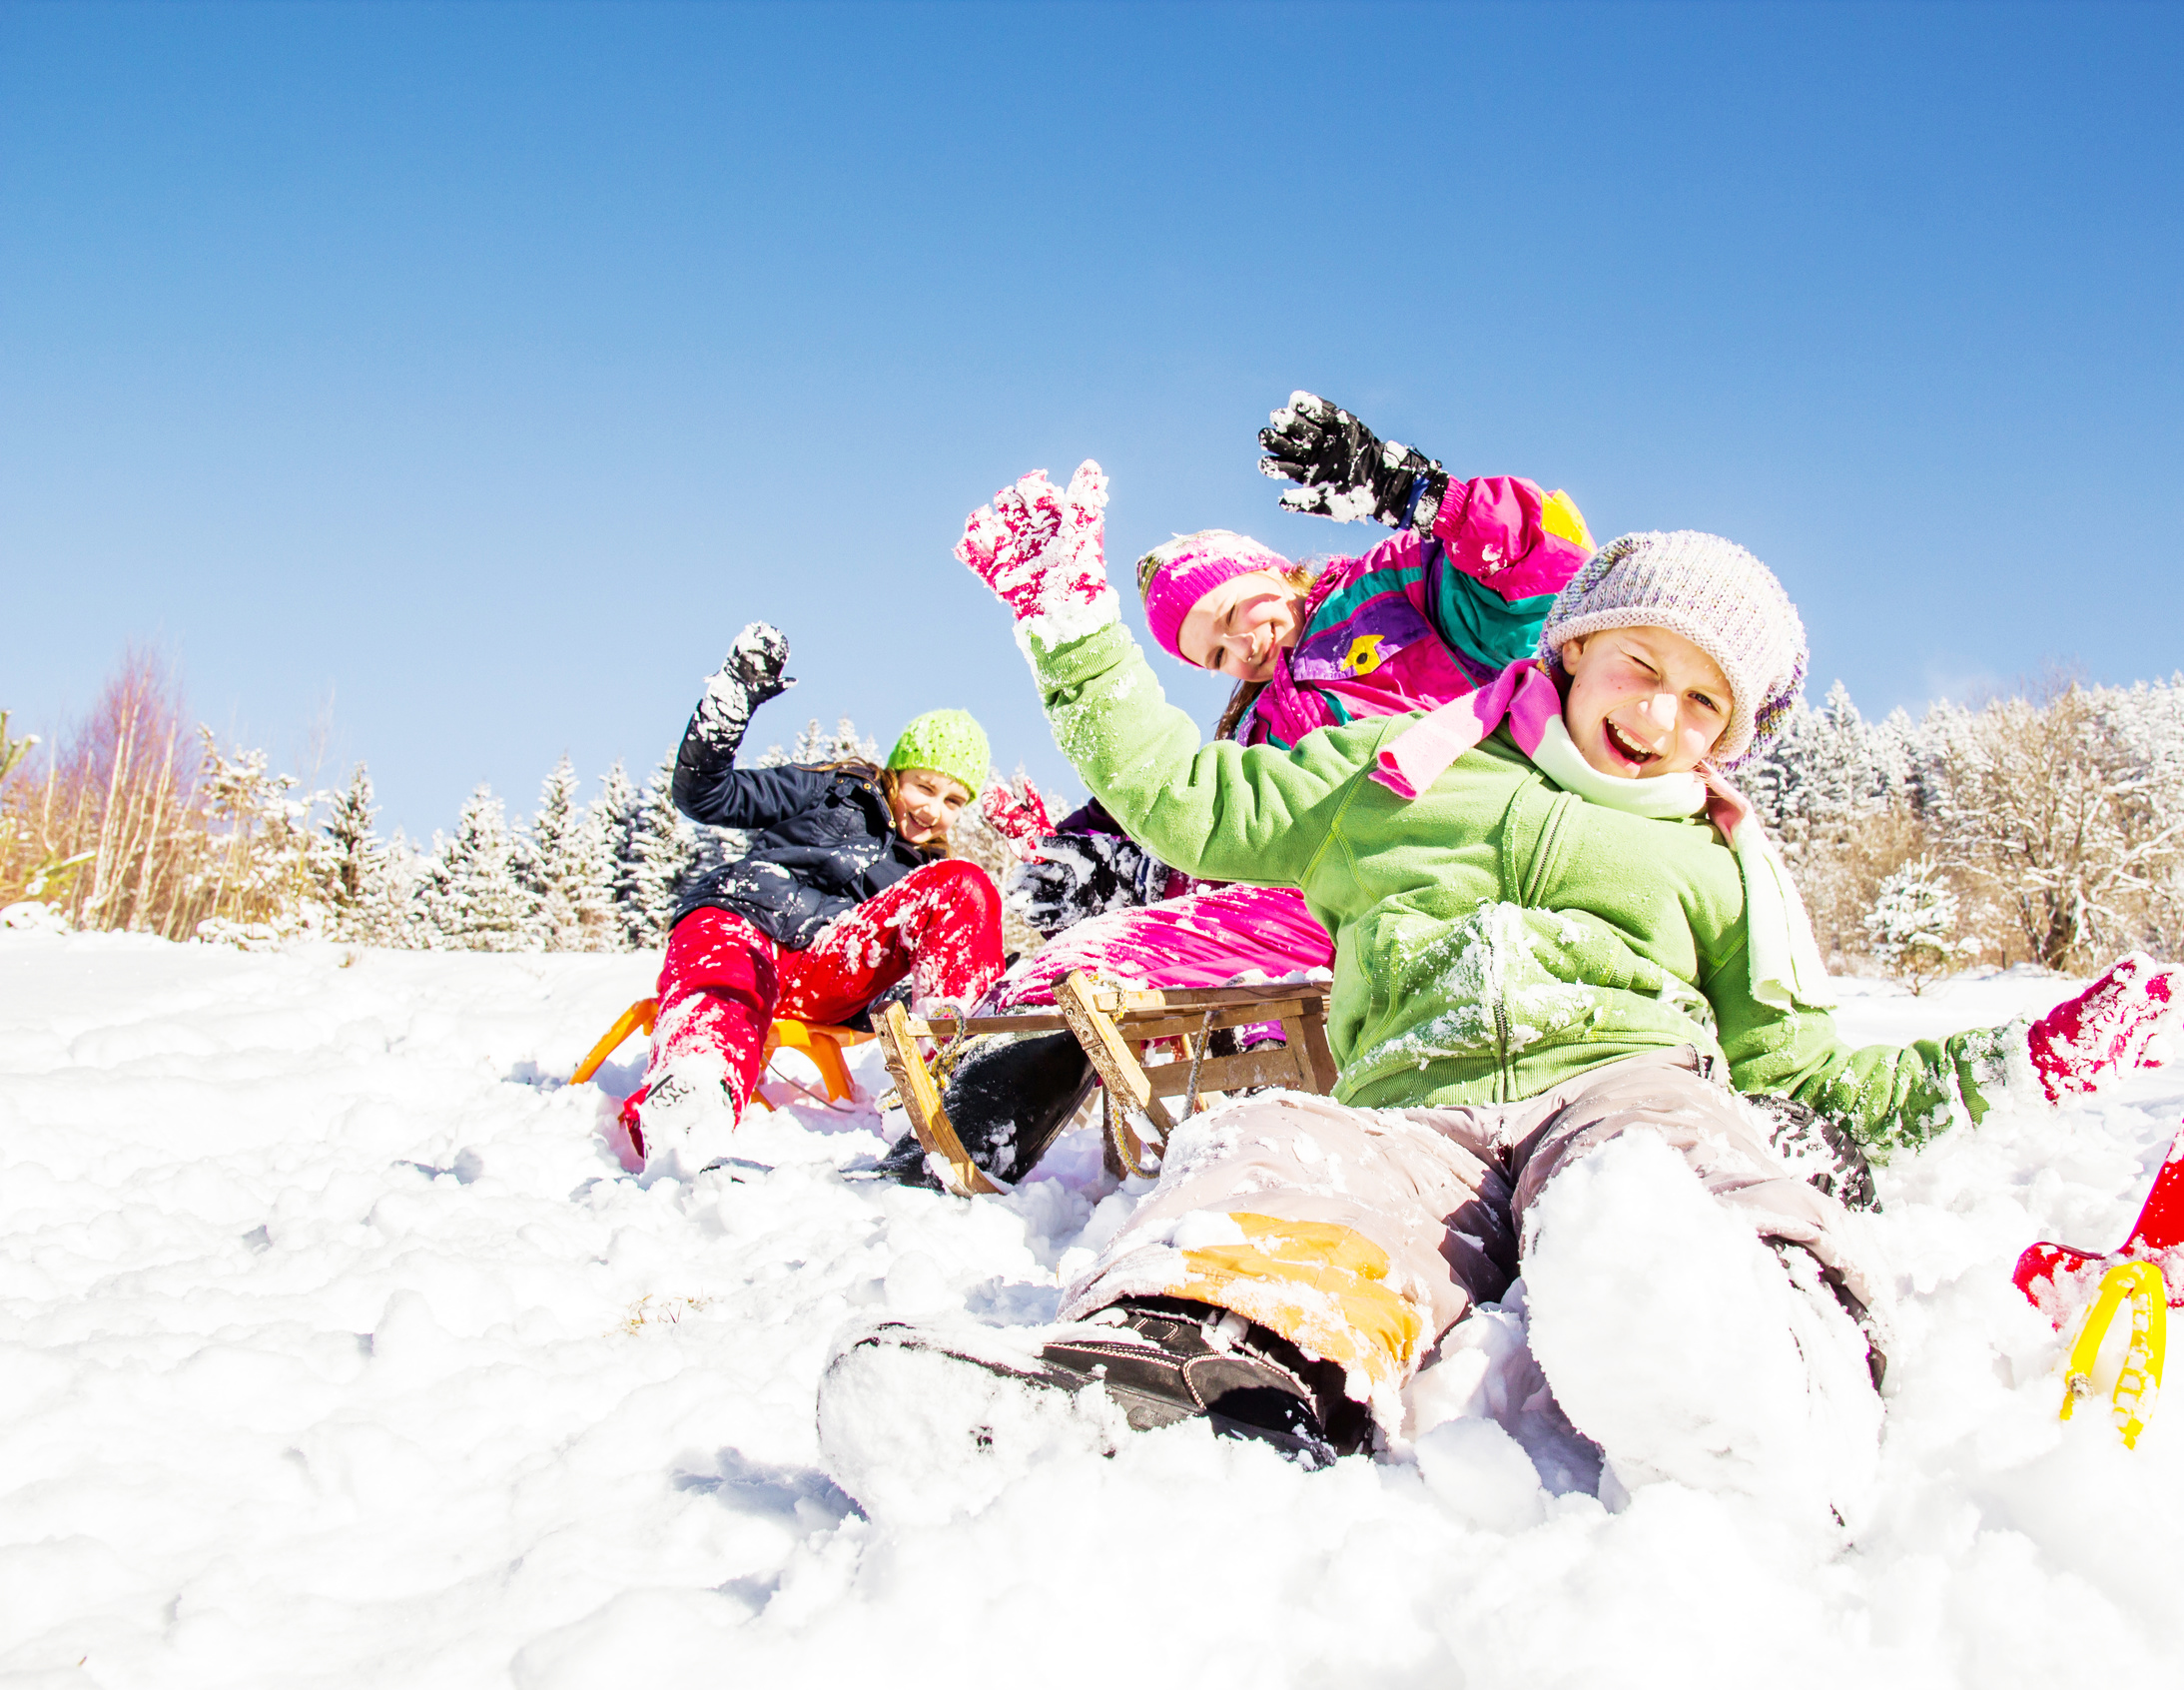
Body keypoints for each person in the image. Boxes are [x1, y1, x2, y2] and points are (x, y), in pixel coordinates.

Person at [824, 465, 2181, 1526]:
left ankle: (1763, 1370)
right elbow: (1183, 797)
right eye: (1641, 665)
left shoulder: (1712, 854)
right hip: (1420, 1102)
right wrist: (1070, 626)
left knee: (1671, 1169)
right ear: (1576, 648)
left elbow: (1804, 1074)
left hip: (1621, 1085)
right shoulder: (1398, 771)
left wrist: (2029, 1059)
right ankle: (1153, 1375)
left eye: (1703, 706)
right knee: (1275, 1155)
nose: (1657, 717)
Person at [887, 397, 1596, 1191]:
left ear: (1265, 566)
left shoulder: (1394, 590)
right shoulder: (1253, 726)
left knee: (1110, 961)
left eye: (1231, 614)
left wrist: (1417, 494)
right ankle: (948, 1152)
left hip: (1445, 875)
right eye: (1215, 654)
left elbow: (1551, 577)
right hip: (1317, 909)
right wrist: (1099, 852)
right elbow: (1221, 824)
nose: (1241, 648)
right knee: (1085, 966)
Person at [622, 622, 1006, 1172]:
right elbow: (705, 796)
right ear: (895, 773)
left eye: (953, 800)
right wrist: (730, 706)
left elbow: (893, 981)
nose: (933, 811)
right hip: (741, 921)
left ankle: (948, 1094)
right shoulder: (831, 789)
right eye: (925, 786)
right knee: (724, 986)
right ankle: (694, 1096)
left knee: (966, 883)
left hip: (825, 967)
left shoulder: (926, 872)